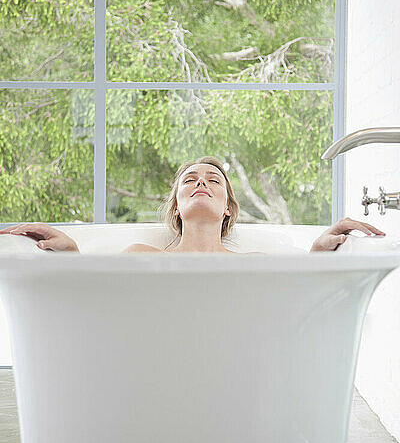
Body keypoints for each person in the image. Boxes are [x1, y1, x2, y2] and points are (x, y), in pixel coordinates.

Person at [0, 155, 385, 253]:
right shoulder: (139, 254)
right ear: (176, 208)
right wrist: (69, 253)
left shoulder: (252, 265)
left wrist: (320, 249)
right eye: (191, 180)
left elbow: (301, 297)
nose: (202, 181)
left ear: (228, 207)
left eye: (213, 180)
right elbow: (94, 298)